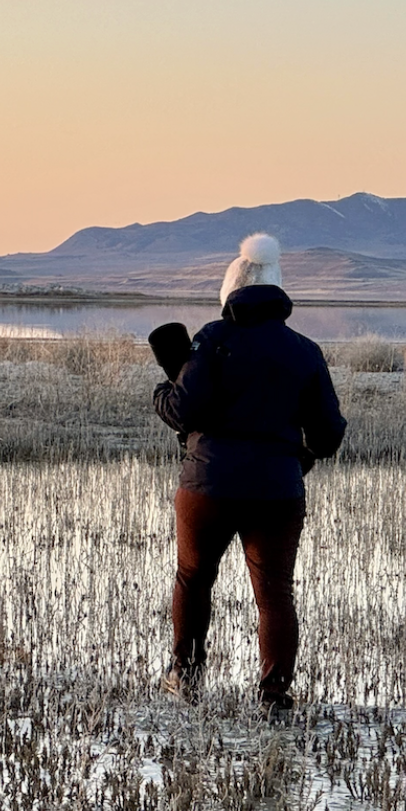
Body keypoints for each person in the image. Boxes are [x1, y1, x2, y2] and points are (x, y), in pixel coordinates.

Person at [152, 232, 345, 708]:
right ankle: (274, 696)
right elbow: (329, 434)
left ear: (230, 289)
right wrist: (301, 459)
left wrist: (162, 388)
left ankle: (186, 679)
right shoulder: (304, 350)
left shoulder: (211, 341)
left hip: (206, 487)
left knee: (193, 579)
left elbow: (181, 410)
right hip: (277, 491)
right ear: (278, 291)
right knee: (275, 594)